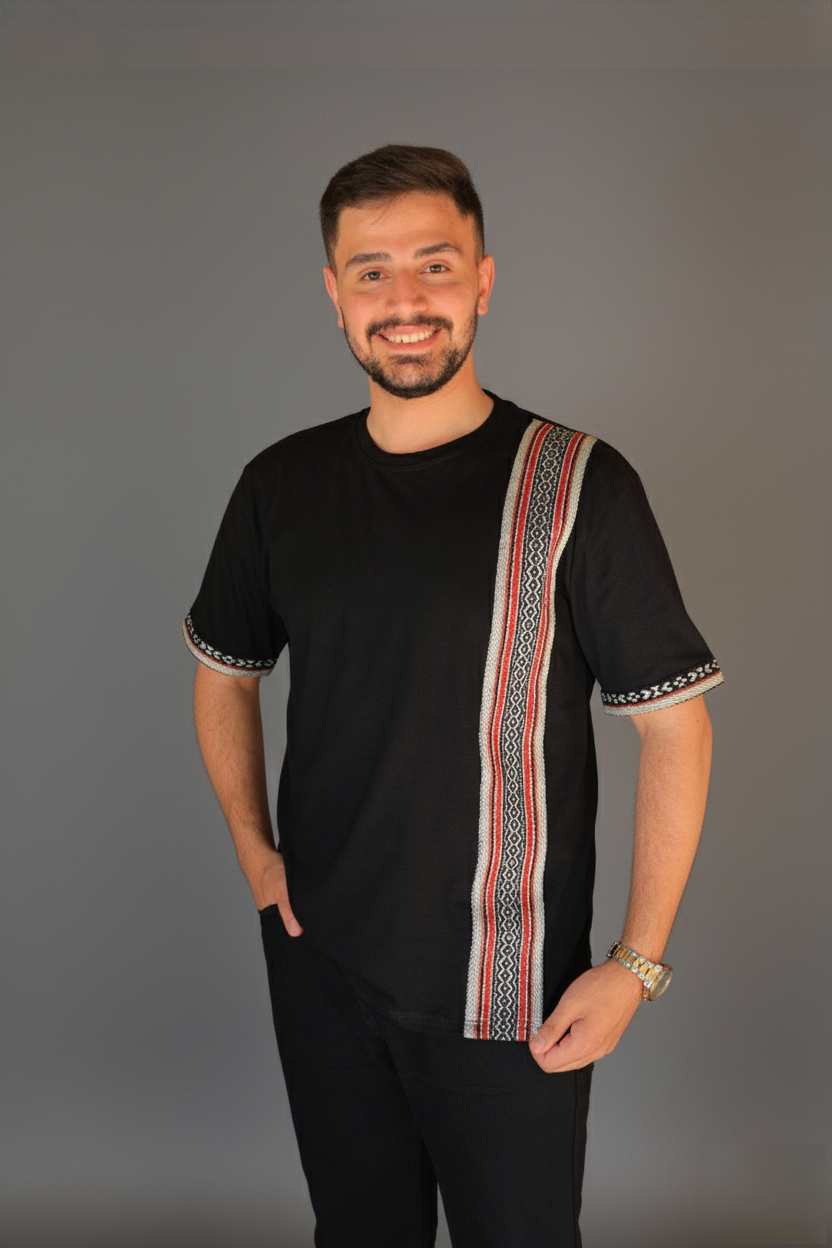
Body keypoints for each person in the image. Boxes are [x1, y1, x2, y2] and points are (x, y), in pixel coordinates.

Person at [183, 144, 721, 1248]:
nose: (405, 300)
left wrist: (635, 964)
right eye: (371, 271)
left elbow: (677, 726)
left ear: (482, 279)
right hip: (321, 960)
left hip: (507, 987)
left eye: (434, 265)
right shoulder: (279, 485)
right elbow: (222, 677)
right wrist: (255, 854)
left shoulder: (576, 483)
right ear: (334, 297)